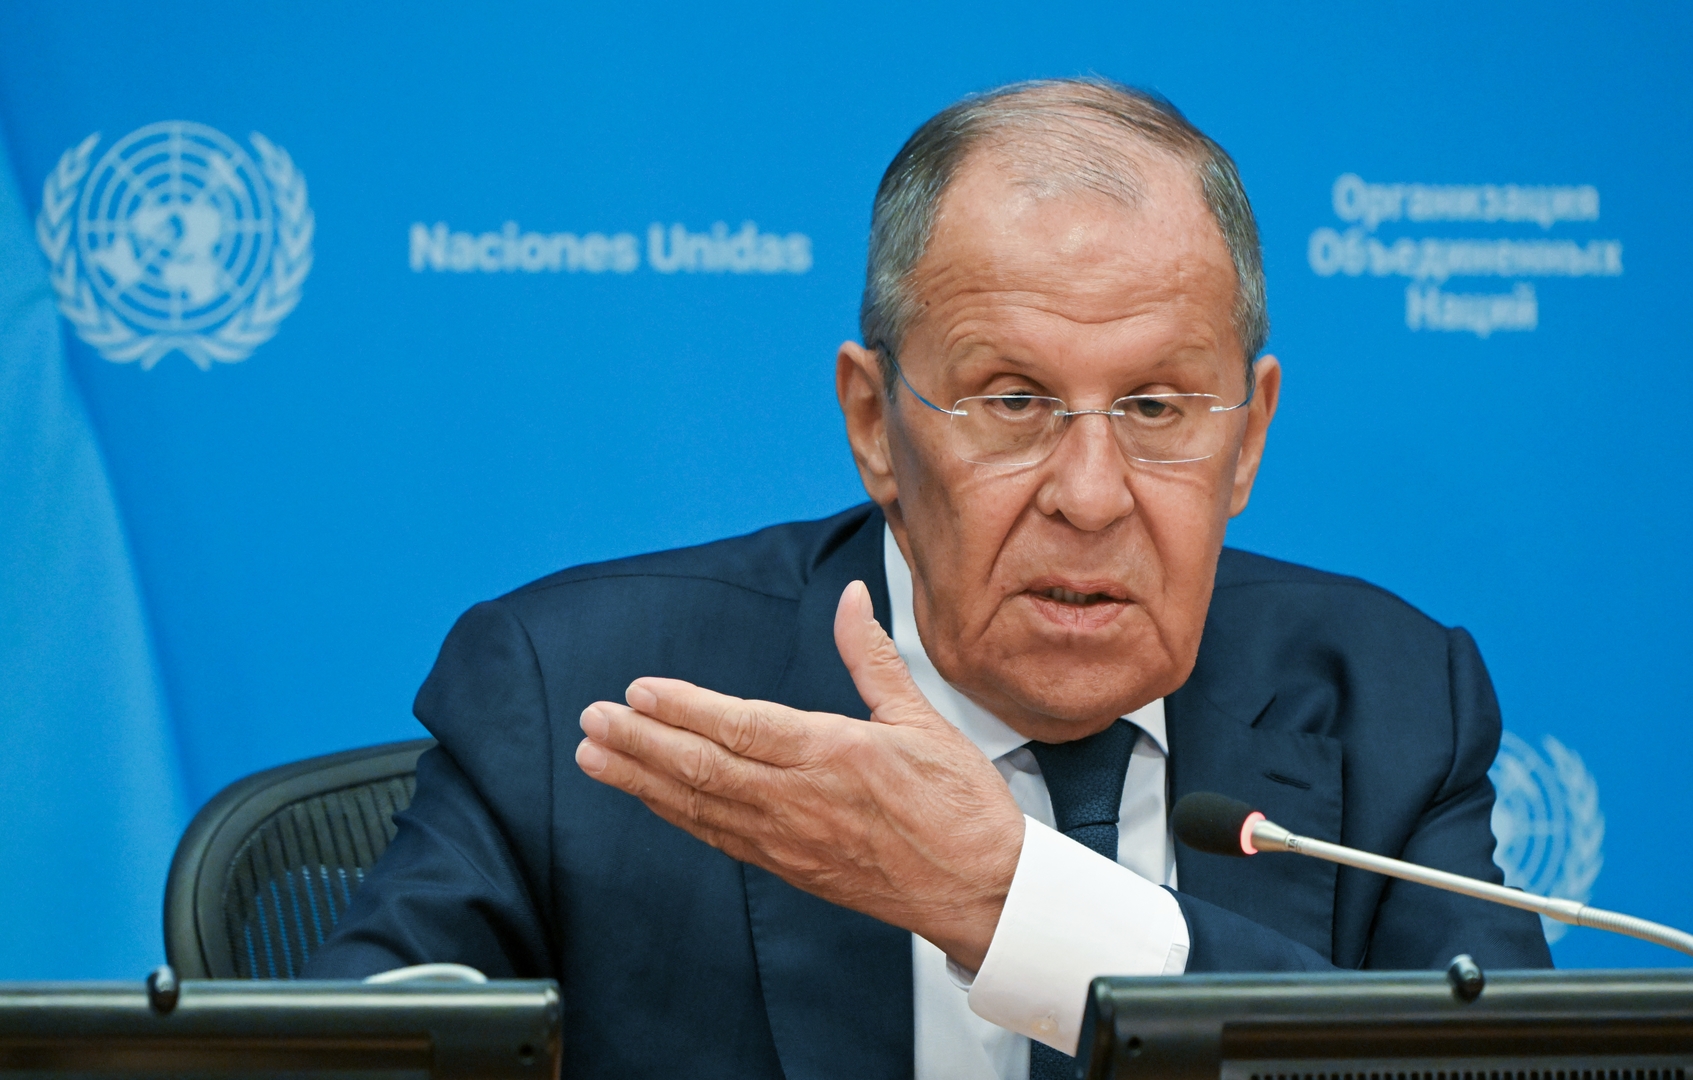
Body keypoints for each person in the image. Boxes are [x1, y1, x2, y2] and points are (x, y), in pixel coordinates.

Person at [306, 78, 1551, 1079]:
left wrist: (1015, 907)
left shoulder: (1390, 705)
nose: (1091, 494)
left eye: (1157, 407)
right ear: (873, 423)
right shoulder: (585, 697)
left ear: (1250, 435)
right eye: (1012, 402)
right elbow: (358, 1048)